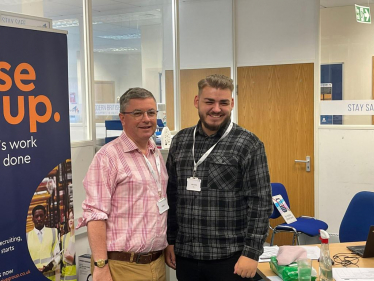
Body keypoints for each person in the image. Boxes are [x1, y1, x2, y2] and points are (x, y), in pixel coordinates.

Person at [165, 74, 273, 281]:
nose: (216, 109)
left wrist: (251, 253)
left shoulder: (248, 144)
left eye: (223, 102)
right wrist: (170, 240)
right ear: (197, 102)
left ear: (231, 104)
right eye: (209, 102)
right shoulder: (180, 141)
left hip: (229, 259)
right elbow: (172, 195)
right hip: (186, 255)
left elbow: (260, 203)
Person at [77, 87, 169, 281]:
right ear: (122, 118)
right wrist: (100, 267)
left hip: (157, 263)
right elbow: (95, 215)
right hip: (122, 267)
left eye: (151, 112)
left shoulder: (155, 153)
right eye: (138, 113)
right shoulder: (108, 157)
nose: (146, 119)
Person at [27, 205, 61, 281]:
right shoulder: (27, 237)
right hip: (34, 277)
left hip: (50, 276)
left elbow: (58, 254)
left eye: (41, 216)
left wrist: (52, 265)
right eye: (37, 216)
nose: (39, 219)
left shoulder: (53, 232)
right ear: (33, 219)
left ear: (45, 217)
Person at [61, 210, 77, 281]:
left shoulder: (78, 237)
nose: (70, 220)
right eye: (69, 218)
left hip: (76, 275)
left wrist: (72, 259)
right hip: (65, 276)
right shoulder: (64, 237)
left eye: (73, 218)